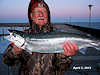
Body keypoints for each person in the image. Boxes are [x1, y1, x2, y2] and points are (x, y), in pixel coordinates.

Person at [3, 0, 78, 75]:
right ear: (31, 16)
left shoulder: (57, 34)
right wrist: (14, 52)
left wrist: (65, 56)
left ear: (48, 16)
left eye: (44, 11)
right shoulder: (23, 35)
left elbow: (64, 67)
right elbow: (7, 61)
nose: (41, 14)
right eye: (37, 11)